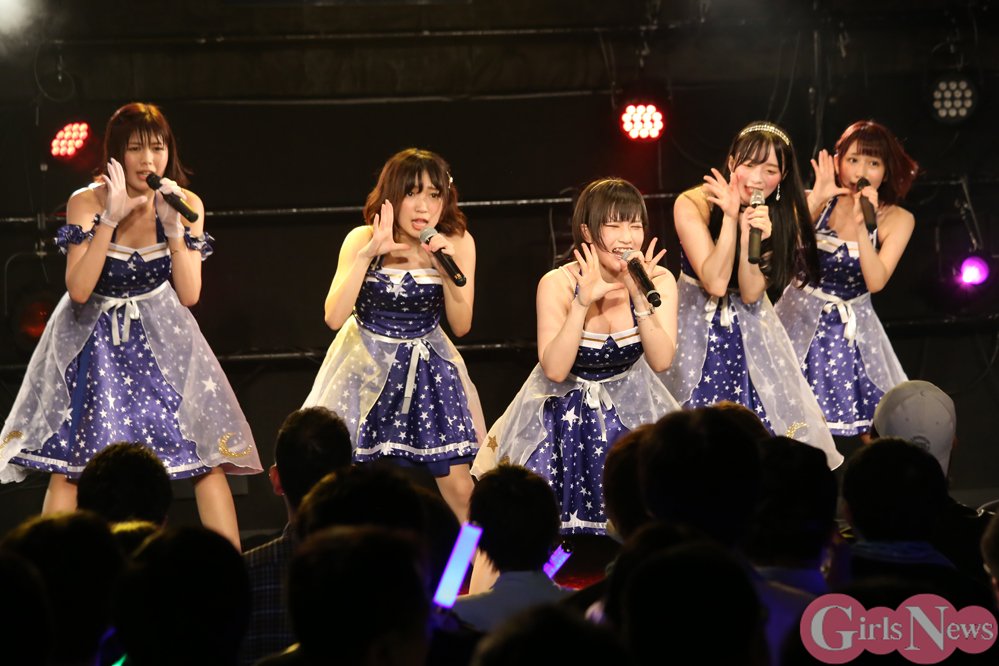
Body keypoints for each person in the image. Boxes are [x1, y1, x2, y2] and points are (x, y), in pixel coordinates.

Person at [0, 102, 260, 549]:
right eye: (136, 148)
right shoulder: (87, 201)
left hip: (161, 341)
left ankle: (229, 568)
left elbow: (190, 293)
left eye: (157, 148)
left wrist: (174, 230)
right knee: (71, 468)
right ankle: (45, 565)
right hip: (95, 340)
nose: (148, 160)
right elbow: (79, 289)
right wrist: (110, 219)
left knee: (205, 462)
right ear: (116, 154)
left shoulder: (184, 202)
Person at [474, 178, 680, 535]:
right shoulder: (557, 283)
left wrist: (639, 299)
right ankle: (458, 574)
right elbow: (555, 369)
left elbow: (662, 361)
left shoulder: (657, 280)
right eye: (613, 225)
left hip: (628, 413)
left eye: (635, 225)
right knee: (517, 525)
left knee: (638, 521)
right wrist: (581, 302)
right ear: (587, 231)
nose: (627, 238)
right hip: (557, 417)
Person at [301, 148, 483, 521]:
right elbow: (333, 316)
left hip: (429, 371)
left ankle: (467, 563)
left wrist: (445, 268)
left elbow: (462, 325)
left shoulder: (457, 242)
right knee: (342, 489)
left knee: (463, 493)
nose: (423, 206)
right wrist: (367, 255)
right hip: (364, 369)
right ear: (392, 196)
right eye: (412, 193)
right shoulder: (362, 238)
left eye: (434, 194)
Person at [660, 120, 841, 468]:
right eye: (749, 165)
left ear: (782, 177)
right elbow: (714, 282)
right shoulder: (693, 203)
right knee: (692, 440)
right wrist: (730, 219)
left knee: (760, 433)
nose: (757, 179)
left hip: (750, 326)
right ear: (732, 163)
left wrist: (750, 239)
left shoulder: (781, 214)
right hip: (695, 325)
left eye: (770, 170)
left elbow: (750, 291)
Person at [775, 120, 917, 437]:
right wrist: (815, 200)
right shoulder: (815, 199)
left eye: (873, 163)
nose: (860, 171)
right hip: (796, 321)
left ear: (886, 171)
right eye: (853, 160)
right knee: (790, 424)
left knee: (879, 428)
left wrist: (864, 227)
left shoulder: (898, 218)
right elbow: (782, 251)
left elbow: (876, 281)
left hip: (851, 331)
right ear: (838, 162)